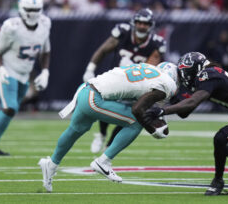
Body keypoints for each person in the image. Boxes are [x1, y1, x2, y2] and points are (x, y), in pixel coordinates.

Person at [145, 52, 228, 195]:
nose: (184, 76)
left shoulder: (208, 74)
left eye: (186, 72)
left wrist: (162, 111)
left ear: (195, 68)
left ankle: (218, 181)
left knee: (220, 138)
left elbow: (192, 103)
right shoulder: (207, 75)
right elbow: (184, 112)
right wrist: (174, 95)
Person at [38, 62, 178, 192]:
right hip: (95, 98)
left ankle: (51, 164)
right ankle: (103, 162)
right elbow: (138, 110)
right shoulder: (166, 83)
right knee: (136, 122)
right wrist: (152, 129)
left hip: (86, 90)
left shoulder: (148, 68)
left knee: (75, 131)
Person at [0, 0, 51, 156]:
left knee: (12, 110)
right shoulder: (11, 27)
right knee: (10, 107)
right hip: (7, 69)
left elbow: (46, 51)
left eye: (36, 9)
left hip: (24, 73)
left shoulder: (45, 24)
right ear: (21, 9)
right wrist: (1, 68)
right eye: (30, 9)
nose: (33, 13)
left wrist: (45, 71)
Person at [82, 8, 166, 154]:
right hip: (115, 79)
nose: (141, 26)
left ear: (150, 26)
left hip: (138, 83)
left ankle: (109, 146)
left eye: (145, 24)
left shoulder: (156, 44)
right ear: (134, 23)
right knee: (106, 105)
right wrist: (90, 69)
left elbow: (153, 70)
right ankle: (101, 134)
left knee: (131, 115)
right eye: (139, 22)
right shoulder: (123, 32)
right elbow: (102, 50)